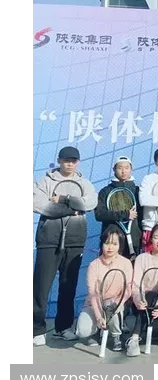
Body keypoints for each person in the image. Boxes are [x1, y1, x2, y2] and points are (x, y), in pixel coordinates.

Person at [33, 146, 98, 346]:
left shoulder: (84, 183)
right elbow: (39, 205)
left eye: (73, 161)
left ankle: (63, 328)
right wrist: (72, 209)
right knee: (41, 288)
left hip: (74, 241)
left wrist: (64, 200)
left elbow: (90, 203)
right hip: (48, 240)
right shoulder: (45, 181)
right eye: (66, 160)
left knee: (68, 287)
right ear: (59, 160)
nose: (70, 164)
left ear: (78, 162)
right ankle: (37, 329)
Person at [75, 225, 133, 351]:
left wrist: (118, 303)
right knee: (82, 331)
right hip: (94, 304)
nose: (110, 247)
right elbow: (93, 294)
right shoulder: (93, 265)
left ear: (120, 245)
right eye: (107, 243)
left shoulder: (126, 263)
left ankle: (117, 336)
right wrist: (99, 317)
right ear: (102, 244)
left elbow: (128, 288)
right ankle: (95, 332)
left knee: (112, 306)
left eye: (114, 244)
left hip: (115, 302)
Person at [125, 224, 158, 357]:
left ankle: (147, 330)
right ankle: (134, 339)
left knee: (156, 330)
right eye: (156, 237)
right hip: (142, 304)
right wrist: (138, 300)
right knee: (149, 295)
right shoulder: (141, 258)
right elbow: (136, 284)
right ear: (151, 238)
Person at [94, 156, 142, 260]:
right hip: (111, 241)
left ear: (131, 169)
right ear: (114, 169)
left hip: (134, 241)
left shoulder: (138, 191)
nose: (123, 171)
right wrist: (125, 214)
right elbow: (99, 214)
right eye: (120, 168)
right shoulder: (105, 191)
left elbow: (142, 216)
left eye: (127, 168)